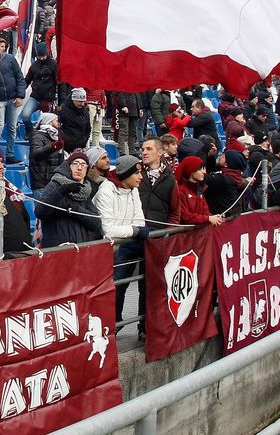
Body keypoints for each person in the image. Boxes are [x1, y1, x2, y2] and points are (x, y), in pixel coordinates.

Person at [94, 155, 149, 333]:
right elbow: (108, 229)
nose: (140, 177)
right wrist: (134, 231)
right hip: (105, 250)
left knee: (121, 286)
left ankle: (116, 323)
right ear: (126, 174)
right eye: (137, 173)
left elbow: (140, 222)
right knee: (114, 289)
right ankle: (112, 325)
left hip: (124, 246)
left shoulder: (133, 190)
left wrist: (133, 230)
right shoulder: (106, 192)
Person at [37, 152, 104, 247]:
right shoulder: (54, 186)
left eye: (83, 165)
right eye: (75, 163)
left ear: (86, 170)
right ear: (68, 167)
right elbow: (40, 212)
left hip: (80, 248)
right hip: (57, 249)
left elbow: (96, 224)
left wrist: (73, 209)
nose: (79, 168)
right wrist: (61, 191)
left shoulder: (84, 192)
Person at [0, 37, 26, 164]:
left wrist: (20, 95)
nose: (3, 49)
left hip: (12, 99)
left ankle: (10, 155)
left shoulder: (10, 59)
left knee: (12, 127)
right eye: (1, 46)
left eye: (4, 47)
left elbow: (20, 77)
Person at [169, 156, 224, 226]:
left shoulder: (200, 189)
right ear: (191, 171)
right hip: (186, 232)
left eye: (204, 169)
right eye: (200, 169)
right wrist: (208, 218)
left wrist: (214, 217)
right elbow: (184, 216)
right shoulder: (180, 190)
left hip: (200, 232)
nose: (204, 172)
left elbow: (205, 212)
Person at [139, 137, 177, 227]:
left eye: (149, 149)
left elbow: (175, 210)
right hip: (137, 230)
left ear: (160, 152)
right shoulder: (135, 173)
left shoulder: (169, 177)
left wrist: (169, 230)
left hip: (160, 231)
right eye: (143, 149)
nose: (144, 153)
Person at [29, 112, 65, 192]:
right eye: (57, 121)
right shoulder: (37, 136)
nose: (60, 123)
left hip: (56, 181)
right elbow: (36, 154)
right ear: (49, 122)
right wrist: (53, 146)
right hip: (42, 182)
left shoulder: (57, 136)